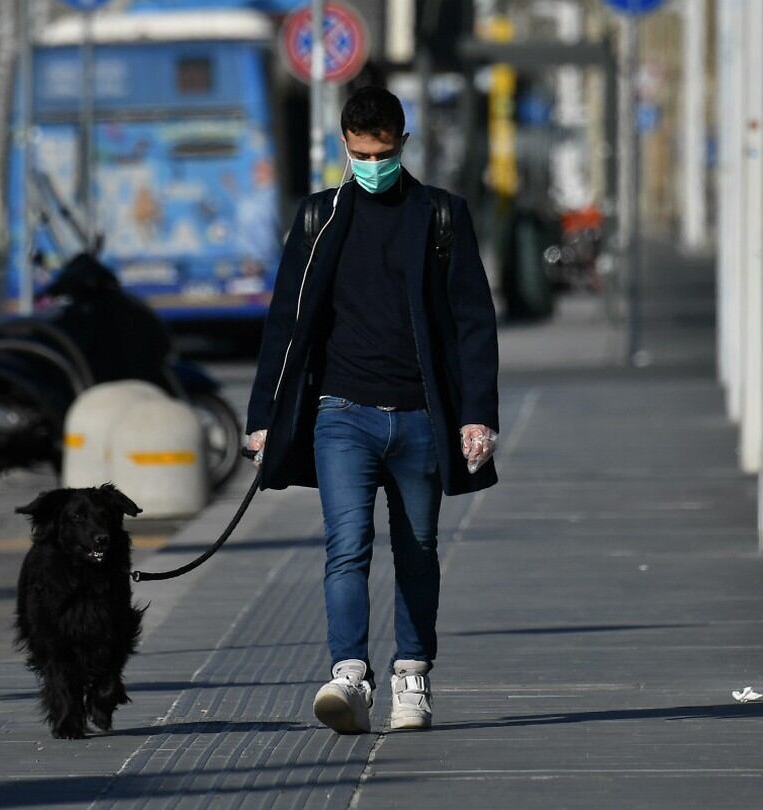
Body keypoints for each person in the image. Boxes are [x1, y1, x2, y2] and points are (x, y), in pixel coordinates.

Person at [244, 86, 500, 734]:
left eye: (382, 153)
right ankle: (350, 676)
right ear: (345, 146)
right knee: (346, 546)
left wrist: (477, 414)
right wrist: (264, 415)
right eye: (360, 153)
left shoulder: (442, 216)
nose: (372, 164)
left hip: (420, 417)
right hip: (343, 414)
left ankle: (411, 676)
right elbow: (285, 322)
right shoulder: (319, 218)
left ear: (402, 144)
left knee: (417, 549)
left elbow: (474, 322)